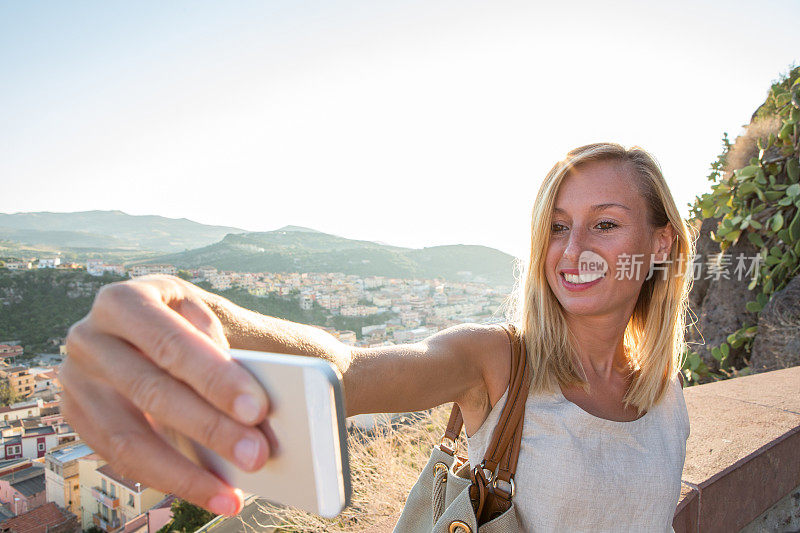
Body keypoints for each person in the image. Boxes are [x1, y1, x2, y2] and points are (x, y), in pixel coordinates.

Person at [59, 142, 693, 531]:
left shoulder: (664, 393)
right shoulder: (499, 361)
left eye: (604, 224)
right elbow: (351, 369)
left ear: (660, 244)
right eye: (557, 227)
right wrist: (178, 308)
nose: (573, 250)